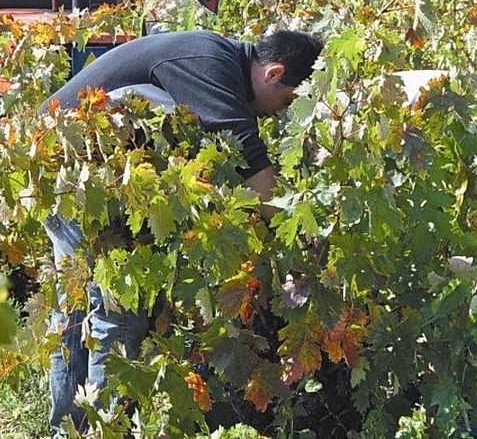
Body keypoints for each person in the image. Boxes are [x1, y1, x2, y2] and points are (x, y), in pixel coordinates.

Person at [40, 29, 324, 433]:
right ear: (273, 73)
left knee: (78, 311)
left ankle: (67, 430)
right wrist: (298, 259)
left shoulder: (219, 61)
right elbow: (254, 175)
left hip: (76, 171)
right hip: (69, 171)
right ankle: (97, 430)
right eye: (287, 101)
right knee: (117, 314)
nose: (282, 113)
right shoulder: (213, 67)